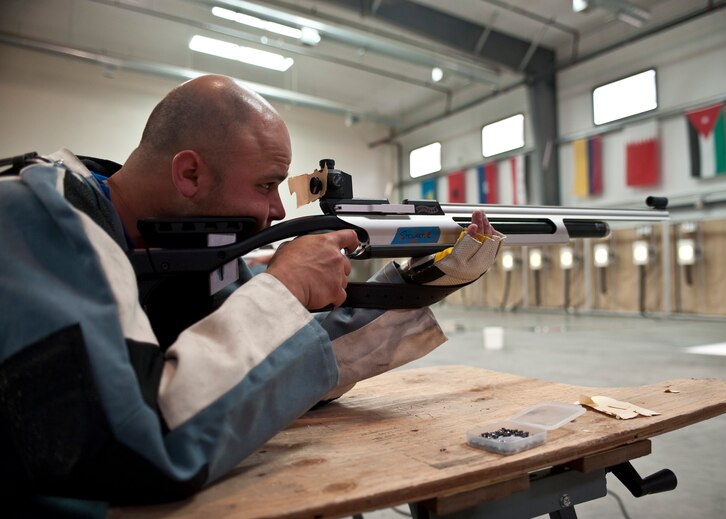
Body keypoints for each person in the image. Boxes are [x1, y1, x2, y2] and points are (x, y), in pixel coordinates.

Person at [0, 75, 503, 515]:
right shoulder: (38, 216)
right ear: (190, 174)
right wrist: (284, 287)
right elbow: (142, 445)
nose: (278, 212)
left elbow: (285, 360)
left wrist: (427, 279)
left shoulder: (193, 244)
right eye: (266, 185)